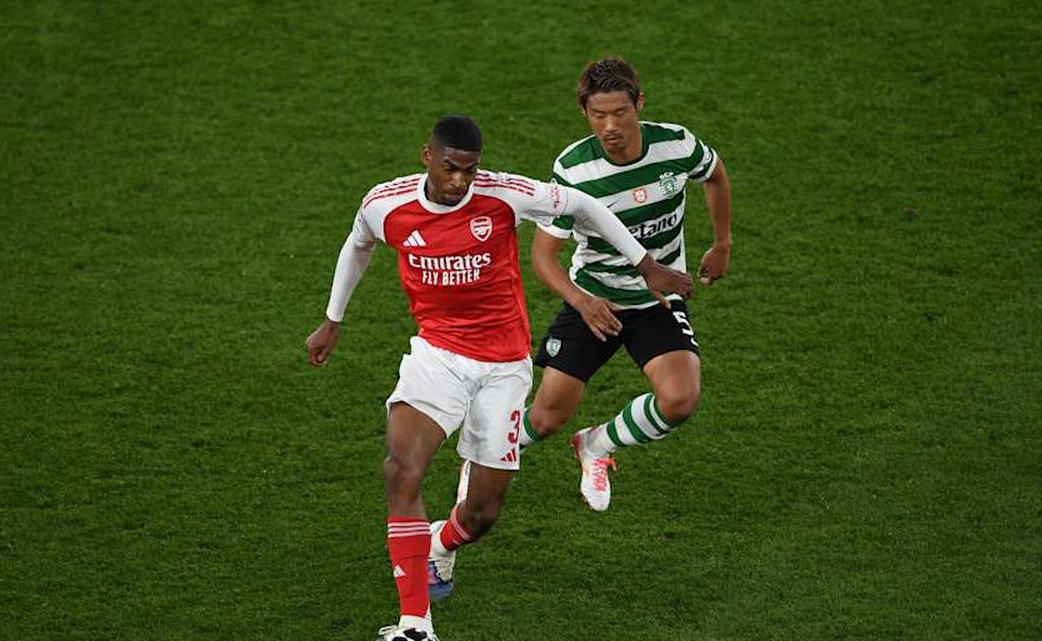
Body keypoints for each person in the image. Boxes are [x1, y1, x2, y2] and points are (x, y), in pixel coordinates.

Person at [304, 115, 692, 641]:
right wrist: (333, 319)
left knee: (482, 514)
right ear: (427, 156)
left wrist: (644, 263)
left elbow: (584, 205)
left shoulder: (504, 194)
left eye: (469, 169)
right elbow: (359, 244)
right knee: (402, 470)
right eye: (450, 168)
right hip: (436, 354)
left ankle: (441, 542)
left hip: (503, 368)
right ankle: (415, 624)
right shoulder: (385, 204)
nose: (460, 180)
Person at [519, 56, 733, 511]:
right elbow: (543, 256)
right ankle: (481, 459)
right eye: (599, 116)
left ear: (640, 103)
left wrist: (722, 242)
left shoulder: (676, 146)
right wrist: (581, 301)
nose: (610, 125)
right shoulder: (574, 171)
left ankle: (597, 445)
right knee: (546, 416)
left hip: (658, 300)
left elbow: (713, 173)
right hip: (596, 300)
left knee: (680, 399)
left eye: (620, 112)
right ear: (585, 113)